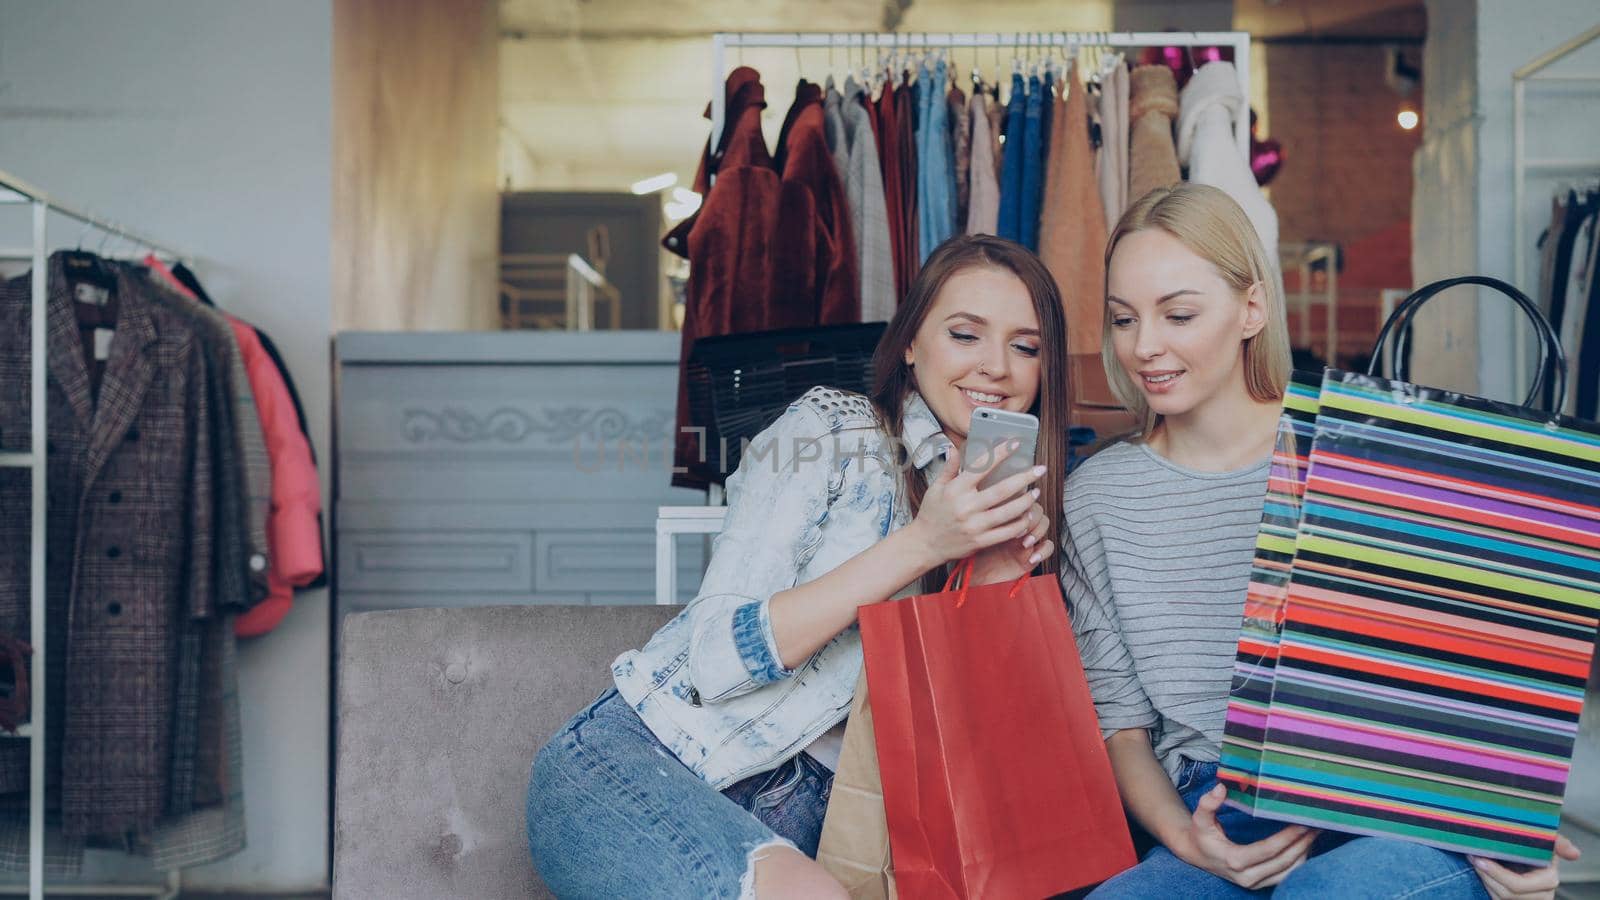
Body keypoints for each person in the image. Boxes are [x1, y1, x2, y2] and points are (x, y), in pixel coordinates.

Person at [1063, 183, 1582, 900]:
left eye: (1178, 313)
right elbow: (1120, 725)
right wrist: (1191, 843)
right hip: (1214, 807)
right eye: (1123, 318)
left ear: (1252, 308)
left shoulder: (1368, 454)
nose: (1144, 346)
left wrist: (1509, 826)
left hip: (1391, 804)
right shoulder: (1097, 496)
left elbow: (1475, 671)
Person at [526, 234, 1071, 899]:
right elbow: (716, 655)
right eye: (966, 334)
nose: (997, 368)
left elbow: (951, 760)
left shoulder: (1011, 514)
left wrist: (987, 587)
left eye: (1026, 347)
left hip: (819, 827)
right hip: (635, 769)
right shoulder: (831, 436)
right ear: (910, 342)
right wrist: (925, 545)